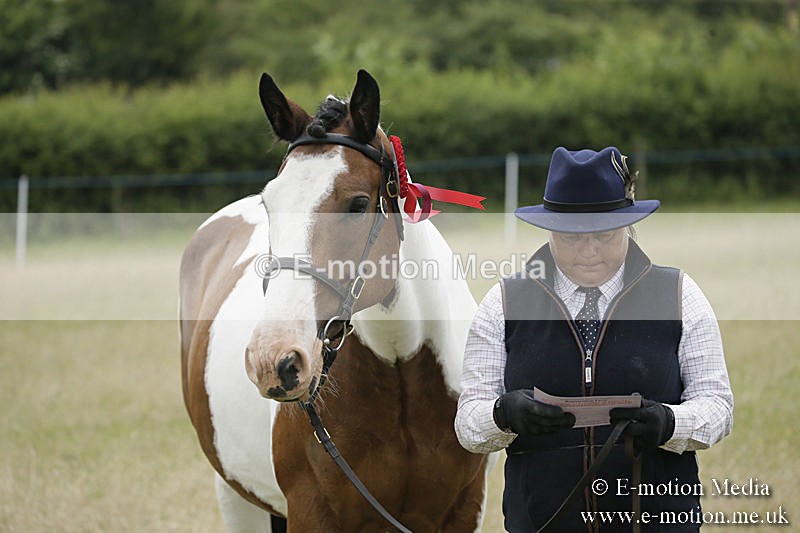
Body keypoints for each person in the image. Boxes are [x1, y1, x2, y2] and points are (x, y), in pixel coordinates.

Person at [455, 146, 733, 532]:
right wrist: (503, 414)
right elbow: (468, 425)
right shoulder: (502, 303)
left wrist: (670, 423)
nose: (588, 251)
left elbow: (718, 407)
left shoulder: (681, 294)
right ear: (549, 228)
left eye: (603, 235)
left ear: (627, 224)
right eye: (570, 237)